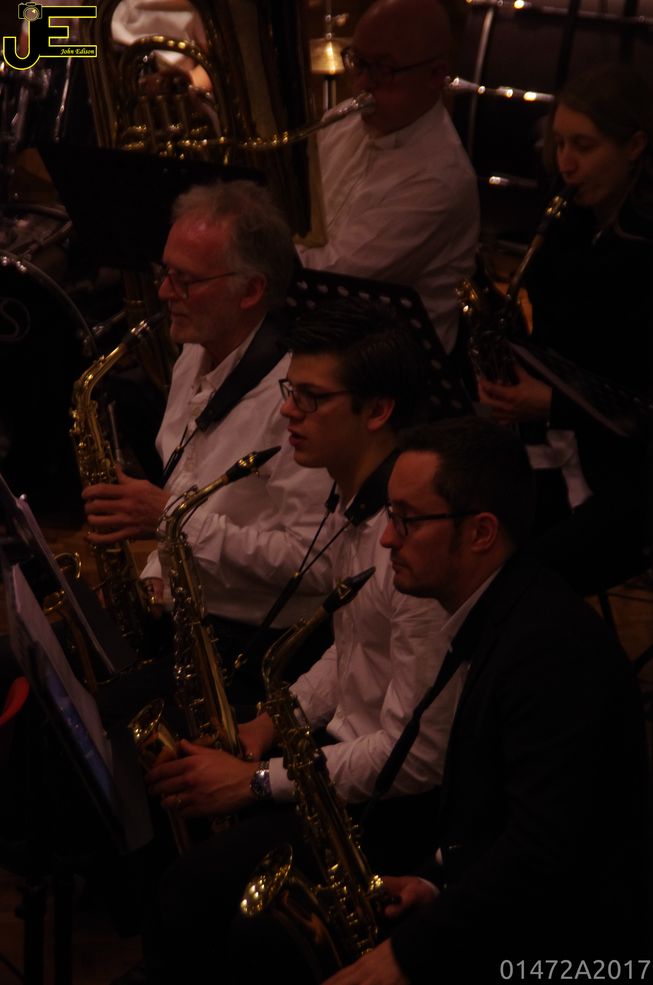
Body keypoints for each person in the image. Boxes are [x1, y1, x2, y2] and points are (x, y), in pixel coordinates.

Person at [139, 300, 459, 984]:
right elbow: (353, 648)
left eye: (311, 398)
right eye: (291, 390)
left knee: (190, 891)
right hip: (335, 759)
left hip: (388, 805)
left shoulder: (408, 543)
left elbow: (415, 758)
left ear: (377, 411)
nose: (288, 411)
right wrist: (263, 724)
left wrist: (256, 783)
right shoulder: (351, 501)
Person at [320, 416, 647, 985]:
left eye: (407, 519)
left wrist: (407, 955)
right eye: (390, 514)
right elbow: (501, 818)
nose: (388, 538)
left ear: (481, 533)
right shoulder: (502, 609)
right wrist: (435, 884)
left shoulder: (549, 653)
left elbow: (543, 853)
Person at [81, 179, 332, 704]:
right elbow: (190, 484)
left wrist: (169, 518)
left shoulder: (298, 397)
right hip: (185, 617)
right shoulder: (194, 353)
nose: (164, 293)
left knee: (86, 717)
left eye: (186, 280)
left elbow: (312, 564)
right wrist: (153, 580)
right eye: (165, 273)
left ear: (251, 290)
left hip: (255, 651)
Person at [477, 63, 653, 596]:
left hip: (630, 471)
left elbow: (639, 396)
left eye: (583, 146)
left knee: (519, 574)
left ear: (635, 146)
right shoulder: (571, 218)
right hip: (566, 446)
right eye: (559, 144)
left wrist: (553, 404)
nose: (566, 163)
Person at [296, 0, 479, 354]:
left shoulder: (440, 181)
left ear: (435, 75)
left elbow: (330, 277)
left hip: (386, 362)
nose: (362, 84)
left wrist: (245, 253)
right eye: (358, 62)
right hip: (323, 330)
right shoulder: (340, 122)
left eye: (384, 69)